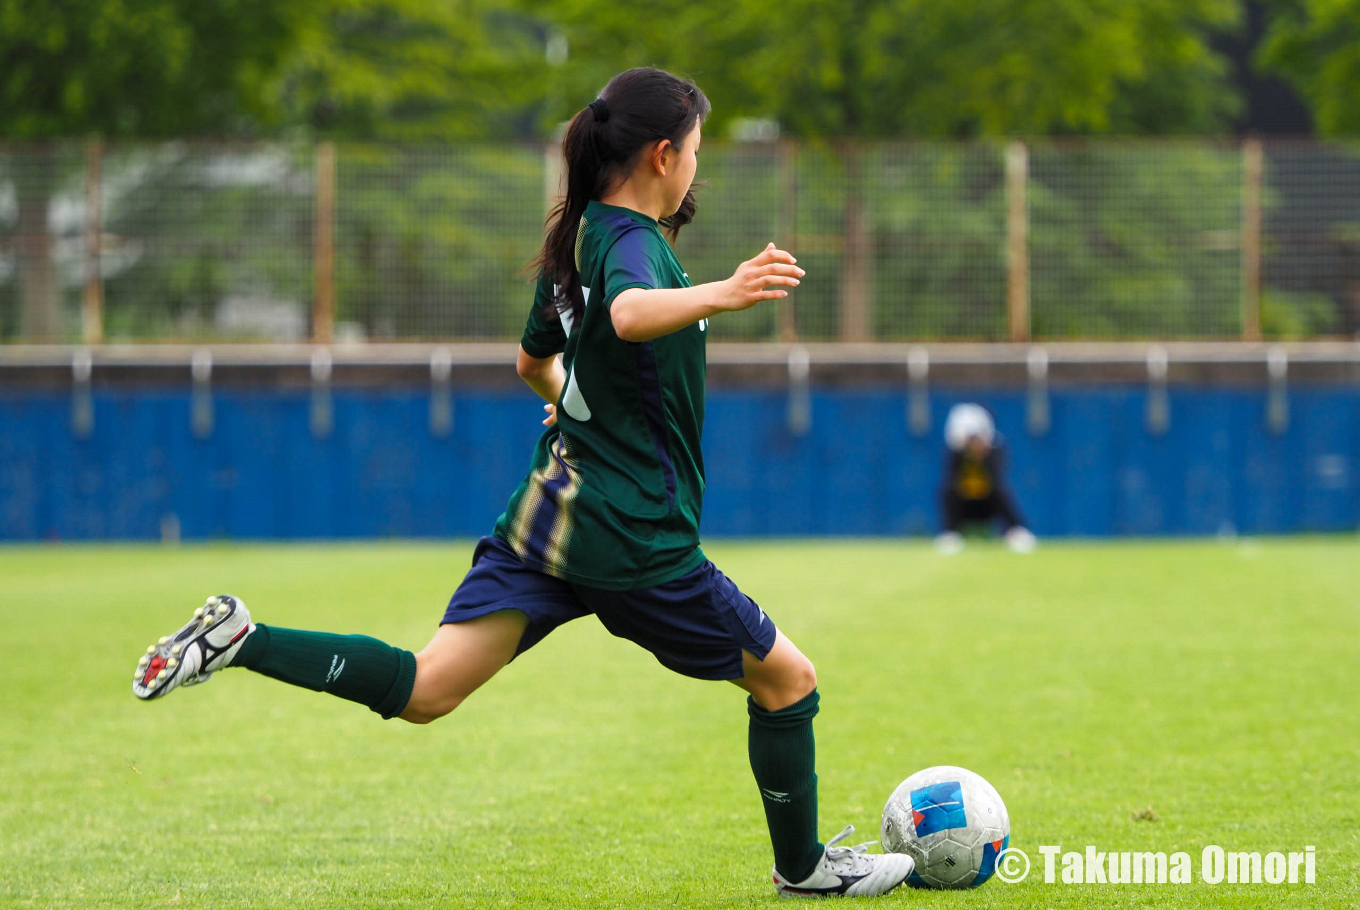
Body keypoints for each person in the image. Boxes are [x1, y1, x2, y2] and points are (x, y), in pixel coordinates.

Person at [130, 68, 914, 898]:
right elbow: (626, 316)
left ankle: (241, 639)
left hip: (550, 516)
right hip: (632, 532)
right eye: (694, 150)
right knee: (789, 680)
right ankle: (804, 870)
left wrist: (575, 407)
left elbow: (533, 362)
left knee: (426, 690)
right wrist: (728, 290)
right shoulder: (633, 246)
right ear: (659, 155)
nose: (696, 166)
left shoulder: (578, 238)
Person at [934, 403, 1036, 554]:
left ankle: (1015, 531)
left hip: (987, 504)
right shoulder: (955, 453)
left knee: (1000, 490)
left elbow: (995, 477)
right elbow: (953, 477)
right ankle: (950, 534)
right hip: (964, 504)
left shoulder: (995, 449)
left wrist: (981, 455)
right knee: (948, 490)